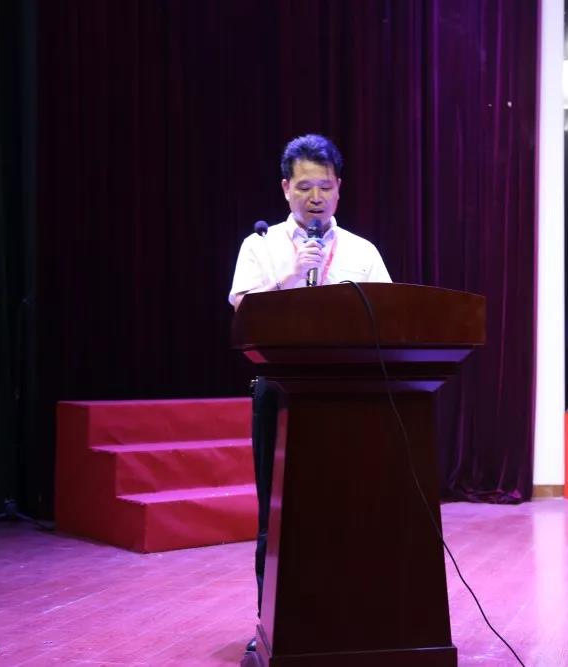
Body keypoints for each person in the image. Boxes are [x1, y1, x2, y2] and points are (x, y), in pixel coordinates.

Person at [228, 134, 391, 652]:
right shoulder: (260, 246)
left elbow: (390, 315)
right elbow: (243, 310)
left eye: (324, 186)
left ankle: (349, 620)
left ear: (339, 188)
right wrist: (291, 276)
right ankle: (272, 626)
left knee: (347, 508)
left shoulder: (363, 251)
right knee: (275, 514)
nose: (315, 197)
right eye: (304, 187)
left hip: (349, 393)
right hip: (278, 391)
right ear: (285, 189)